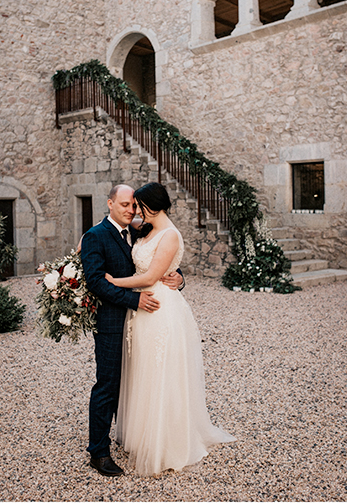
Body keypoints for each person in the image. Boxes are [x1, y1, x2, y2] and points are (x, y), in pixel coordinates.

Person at [105, 182, 236, 475]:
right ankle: (141, 435)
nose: (135, 211)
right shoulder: (145, 229)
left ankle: (165, 441)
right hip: (140, 308)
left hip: (160, 308)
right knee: (142, 371)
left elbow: (151, 275)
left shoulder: (171, 235)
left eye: (138, 205)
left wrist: (112, 281)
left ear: (151, 205)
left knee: (160, 371)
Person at [80, 184, 184, 477]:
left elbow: (156, 262)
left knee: (139, 383)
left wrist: (178, 277)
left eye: (134, 206)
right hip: (114, 323)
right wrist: (135, 299)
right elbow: (97, 282)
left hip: (145, 324)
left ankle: (137, 436)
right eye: (124, 205)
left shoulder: (141, 231)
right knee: (108, 386)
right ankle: (98, 453)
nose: (131, 211)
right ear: (110, 203)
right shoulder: (95, 236)